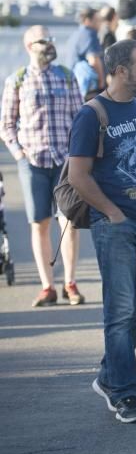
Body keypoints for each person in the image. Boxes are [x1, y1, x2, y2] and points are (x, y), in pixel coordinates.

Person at [68, 39, 136, 424]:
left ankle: (109, 375)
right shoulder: (92, 114)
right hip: (116, 229)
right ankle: (125, 395)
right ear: (121, 71)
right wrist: (112, 214)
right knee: (120, 312)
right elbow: (78, 175)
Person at [1, 25, 84, 307]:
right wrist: (19, 154)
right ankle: (47, 286)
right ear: (28, 46)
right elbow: (7, 124)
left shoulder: (67, 77)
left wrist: (79, 155)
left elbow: (80, 118)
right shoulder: (17, 81)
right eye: (42, 41)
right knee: (40, 224)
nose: (49, 44)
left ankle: (70, 283)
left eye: (50, 38)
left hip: (64, 162)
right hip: (33, 162)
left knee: (68, 222)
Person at [68, 7, 106, 100]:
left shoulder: (76, 34)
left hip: (76, 84)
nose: (101, 24)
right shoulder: (89, 33)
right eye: (98, 20)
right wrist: (102, 83)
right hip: (89, 87)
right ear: (88, 21)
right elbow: (94, 60)